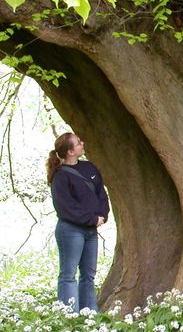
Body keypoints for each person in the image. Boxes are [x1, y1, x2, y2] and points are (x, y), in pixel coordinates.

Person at [45, 132, 109, 312]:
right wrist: (91, 219)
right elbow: (66, 208)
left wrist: (102, 215)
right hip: (71, 231)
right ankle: (69, 317)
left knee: (88, 275)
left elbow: (101, 195)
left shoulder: (89, 168)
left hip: (91, 230)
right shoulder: (60, 177)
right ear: (71, 152)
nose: (82, 143)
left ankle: (89, 314)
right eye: (78, 143)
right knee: (68, 275)